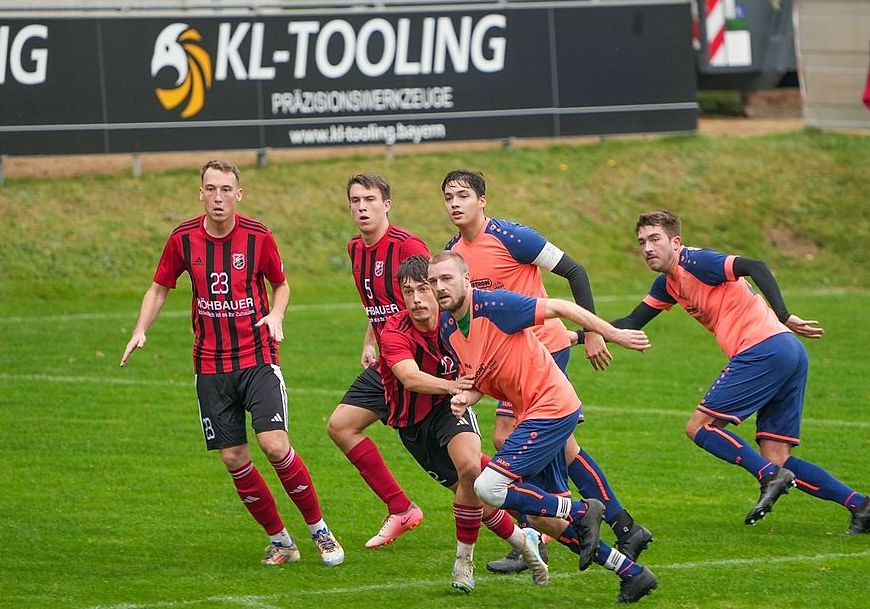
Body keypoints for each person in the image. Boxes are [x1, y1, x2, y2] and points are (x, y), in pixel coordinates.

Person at [119, 159, 343, 566]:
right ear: (200, 194)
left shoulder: (258, 236)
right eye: (211, 189)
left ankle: (319, 530)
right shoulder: (183, 238)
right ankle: (281, 541)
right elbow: (159, 288)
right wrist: (140, 329)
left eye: (225, 189)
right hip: (210, 365)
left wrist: (276, 315)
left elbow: (281, 285)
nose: (218, 197)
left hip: (257, 357)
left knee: (274, 445)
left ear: (238, 194)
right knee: (233, 457)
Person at [612, 209, 870, 533]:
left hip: (763, 349)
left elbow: (755, 266)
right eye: (642, 242)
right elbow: (631, 322)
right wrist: (580, 334)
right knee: (776, 456)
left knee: (699, 427)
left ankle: (769, 477)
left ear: (675, 241)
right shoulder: (667, 284)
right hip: (786, 352)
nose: (647, 248)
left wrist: (783, 314)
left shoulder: (696, 262)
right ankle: (862, 506)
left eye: (654, 239)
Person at [441, 169, 653, 572]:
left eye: (463, 195)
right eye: (448, 197)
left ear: (482, 200)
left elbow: (575, 271)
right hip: (507, 359)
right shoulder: (454, 253)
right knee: (562, 447)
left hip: (543, 351)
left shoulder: (513, 237)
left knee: (511, 439)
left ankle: (540, 533)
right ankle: (623, 526)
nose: (455, 203)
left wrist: (594, 332)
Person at [429, 251, 659, 604]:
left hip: (551, 407)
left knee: (488, 486)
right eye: (433, 281)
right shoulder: (448, 327)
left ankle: (582, 511)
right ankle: (631, 573)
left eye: (446, 278)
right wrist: (466, 397)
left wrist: (612, 333)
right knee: (540, 517)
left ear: (466, 278)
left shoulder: (495, 305)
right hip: (531, 413)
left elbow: (562, 307)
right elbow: (481, 375)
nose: (439, 287)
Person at [378, 254, 549, 593]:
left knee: (471, 470)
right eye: (408, 292)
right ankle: (524, 542)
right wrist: (453, 385)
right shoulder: (394, 331)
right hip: (413, 425)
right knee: (471, 496)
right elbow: (410, 377)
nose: (417, 299)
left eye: (423, 289)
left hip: (450, 409)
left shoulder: (455, 320)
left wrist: (466, 390)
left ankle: (463, 562)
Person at [326, 173, 426, 549]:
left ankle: (528, 513)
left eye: (369, 200)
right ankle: (400, 508)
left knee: (454, 466)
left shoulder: (406, 245)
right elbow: (378, 304)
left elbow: (431, 300)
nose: (362, 207)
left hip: (416, 365)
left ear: (387, 205)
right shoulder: (356, 248)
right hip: (386, 365)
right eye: (355, 201)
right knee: (341, 426)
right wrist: (371, 340)